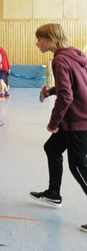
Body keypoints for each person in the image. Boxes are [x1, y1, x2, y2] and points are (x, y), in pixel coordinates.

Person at [29, 23, 87, 233]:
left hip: (78, 121)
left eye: (40, 39)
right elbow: (74, 85)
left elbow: (67, 96)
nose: (37, 43)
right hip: (75, 118)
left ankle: (54, 192)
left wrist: (53, 123)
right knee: (52, 149)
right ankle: (54, 193)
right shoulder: (75, 55)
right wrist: (50, 91)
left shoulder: (59, 60)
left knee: (79, 167)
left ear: (50, 40)